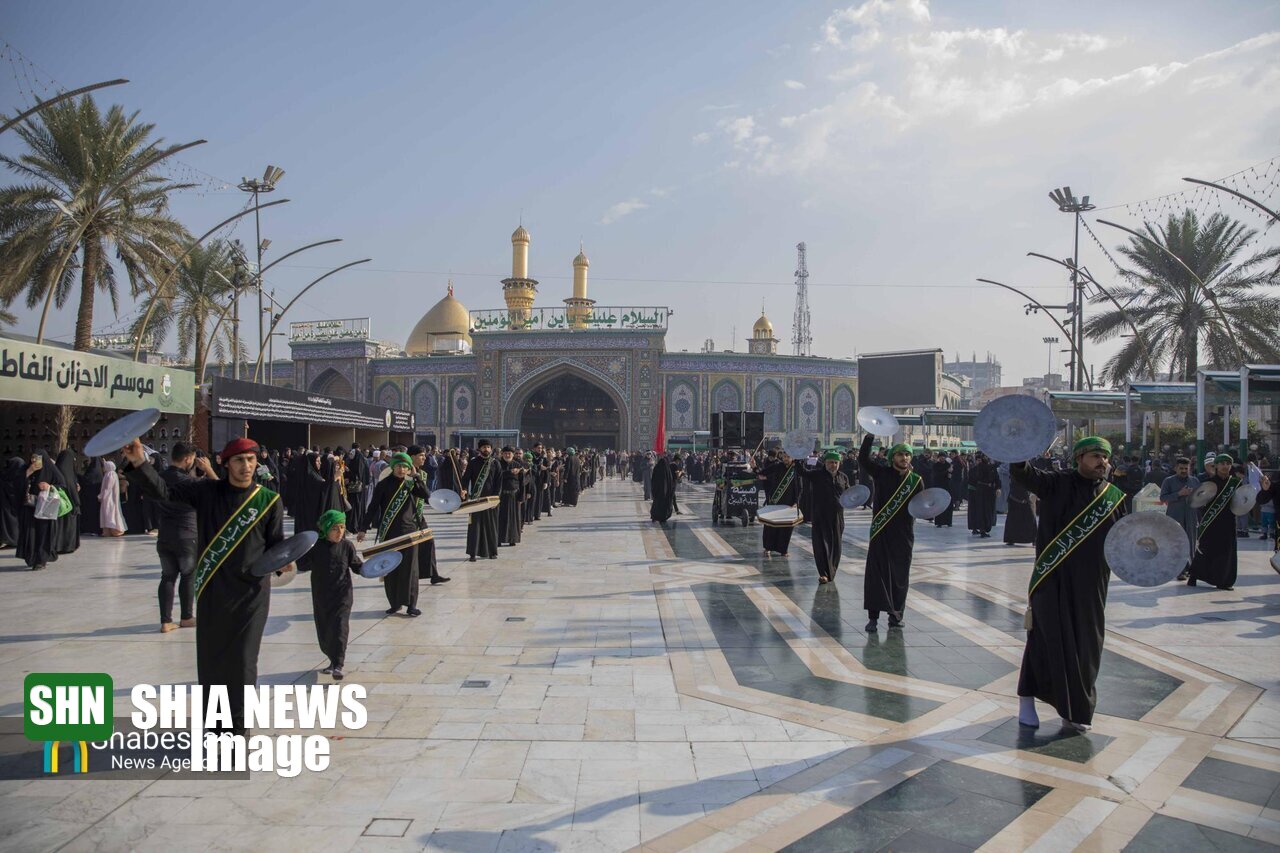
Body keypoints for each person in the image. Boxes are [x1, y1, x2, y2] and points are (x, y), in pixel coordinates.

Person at [122, 436, 286, 735]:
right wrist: (138, 462)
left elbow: (276, 546)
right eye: (239, 460)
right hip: (213, 591)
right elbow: (162, 491)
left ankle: (238, 732)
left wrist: (285, 561)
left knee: (243, 663)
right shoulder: (206, 492)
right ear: (225, 464)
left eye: (251, 460)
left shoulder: (268, 501)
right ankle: (215, 731)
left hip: (251, 596)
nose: (246, 466)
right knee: (212, 664)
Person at [1010, 436, 1125, 731]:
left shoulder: (1114, 497)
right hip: (1053, 580)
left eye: (1106, 457)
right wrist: (1018, 446)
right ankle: (1026, 698)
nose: (1103, 462)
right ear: (1079, 458)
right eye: (1096, 456)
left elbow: (1123, 541)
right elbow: (1024, 473)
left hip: (1092, 585)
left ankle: (1075, 711)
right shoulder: (1056, 484)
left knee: (1087, 646)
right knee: (1047, 642)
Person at [859, 437, 924, 630]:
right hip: (881, 531)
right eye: (900, 454)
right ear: (892, 457)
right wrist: (869, 437)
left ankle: (896, 615)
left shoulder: (916, 481)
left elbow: (921, 506)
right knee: (876, 574)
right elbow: (863, 459)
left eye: (907, 454)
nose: (904, 458)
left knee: (900, 576)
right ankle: (873, 617)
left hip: (903, 535)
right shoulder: (881, 473)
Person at [154, 442, 217, 633]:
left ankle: (166, 621)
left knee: (167, 577)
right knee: (188, 575)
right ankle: (187, 617)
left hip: (165, 534)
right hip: (187, 535)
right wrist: (209, 469)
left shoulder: (159, 478)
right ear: (188, 458)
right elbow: (220, 490)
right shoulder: (189, 483)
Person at [360, 452, 431, 615]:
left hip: (409, 533)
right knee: (391, 569)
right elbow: (373, 508)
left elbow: (427, 495)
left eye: (405, 466)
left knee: (410, 570)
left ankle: (411, 604)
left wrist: (416, 477)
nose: (401, 469)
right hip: (389, 533)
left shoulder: (411, 484)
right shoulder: (383, 485)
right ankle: (395, 603)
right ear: (393, 467)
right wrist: (363, 528)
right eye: (398, 466)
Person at [307, 509, 361, 679]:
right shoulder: (315, 547)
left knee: (339, 627)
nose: (339, 532)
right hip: (322, 596)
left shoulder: (347, 546)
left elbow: (357, 566)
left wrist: (380, 567)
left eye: (342, 527)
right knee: (325, 629)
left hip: (342, 595)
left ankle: (338, 664)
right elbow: (299, 563)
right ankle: (332, 660)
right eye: (335, 528)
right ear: (326, 529)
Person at [1187, 453, 1242, 590]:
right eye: (1222, 463)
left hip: (1228, 522)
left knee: (1226, 551)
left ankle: (1223, 581)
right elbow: (1199, 503)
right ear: (1216, 466)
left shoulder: (1234, 483)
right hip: (1211, 522)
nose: (1225, 466)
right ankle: (1194, 575)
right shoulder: (1209, 483)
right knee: (1205, 549)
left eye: (1228, 463)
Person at [801, 450, 850, 585]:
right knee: (821, 544)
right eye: (830, 462)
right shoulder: (817, 475)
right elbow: (802, 472)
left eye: (835, 462)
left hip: (837, 516)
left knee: (836, 545)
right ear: (825, 463)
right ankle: (823, 573)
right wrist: (798, 457)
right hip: (820, 515)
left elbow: (848, 494)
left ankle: (832, 571)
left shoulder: (843, 477)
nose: (833, 465)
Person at [16, 450, 64, 570]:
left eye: (36, 458)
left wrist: (49, 486)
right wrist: (28, 472)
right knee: (30, 532)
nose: (33, 460)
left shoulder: (51, 469)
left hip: (45, 507)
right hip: (29, 507)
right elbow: (16, 484)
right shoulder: (26, 469)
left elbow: (62, 484)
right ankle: (31, 557)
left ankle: (41, 559)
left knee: (43, 533)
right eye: (32, 458)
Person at [1160, 457, 1198, 582]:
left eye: (1186, 469)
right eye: (1181, 468)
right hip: (1175, 516)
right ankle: (1179, 570)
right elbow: (1163, 498)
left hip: (1191, 516)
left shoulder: (1194, 481)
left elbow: (1201, 497)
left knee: (1191, 543)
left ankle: (1190, 569)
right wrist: (1179, 494)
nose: (1183, 471)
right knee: (1177, 543)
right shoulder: (1169, 481)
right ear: (1176, 468)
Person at [463, 439, 501, 561]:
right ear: (479, 449)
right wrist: (463, 489)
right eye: (484, 447)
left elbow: (499, 482)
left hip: (491, 500)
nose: (486, 449)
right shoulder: (473, 463)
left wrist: (496, 498)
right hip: (476, 499)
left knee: (491, 526)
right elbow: (465, 478)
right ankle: (473, 553)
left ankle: (492, 552)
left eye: (488, 447)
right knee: (475, 527)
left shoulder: (495, 463)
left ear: (491, 449)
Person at [758, 451, 800, 557]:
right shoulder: (777, 466)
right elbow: (763, 472)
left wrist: (796, 501)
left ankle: (783, 550)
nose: (786, 458)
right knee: (770, 525)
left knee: (786, 527)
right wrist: (755, 468)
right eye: (784, 456)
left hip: (789, 502)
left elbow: (800, 486)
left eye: (788, 457)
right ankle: (768, 547)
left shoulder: (796, 469)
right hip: (774, 501)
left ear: (792, 458)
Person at [53, 448, 81, 554]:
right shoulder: (69, 473)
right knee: (69, 526)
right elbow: (72, 489)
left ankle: (57, 546)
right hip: (70, 506)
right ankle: (68, 546)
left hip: (59, 506)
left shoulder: (56, 471)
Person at [967, 453, 1000, 537]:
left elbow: (997, 479)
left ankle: (987, 527)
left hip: (990, 492)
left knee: (989, 511)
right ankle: (982, 529)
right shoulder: (979, 467)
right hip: (981, 492)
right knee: (982, 511)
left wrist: (998, 488)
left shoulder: (992, 468)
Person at [497, 446, 525, 546]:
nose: (507, 455)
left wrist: (522, 496)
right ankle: (499, 540)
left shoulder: (517, 465)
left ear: (513, 455)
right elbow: (497, 476)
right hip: (501, 496)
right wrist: (510, 472)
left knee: (514, 519)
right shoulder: (498, 464)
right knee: (500, 518)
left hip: (514, 496)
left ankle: (512, 539)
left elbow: (522, 482)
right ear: (502, 454)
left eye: (509, 453)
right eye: (505, 453)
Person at [1003, 474, 1037, 546]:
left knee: (1030, 519)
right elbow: (1015, 487)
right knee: (1013, 521)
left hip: (1025, 500)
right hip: (1015, 500)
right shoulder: (1014, 475)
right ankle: (1011, 539)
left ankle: (1034, 538)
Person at [1, 455, 26, 547]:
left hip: (5, 507)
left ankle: (6, 540)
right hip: (17, 507)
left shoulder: (4, 477)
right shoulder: (21, 479)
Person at [99, 459, 126, 536]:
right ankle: (108, 531)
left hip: (109, 498)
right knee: (108, 513)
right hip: (108, 498)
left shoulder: (110, 474)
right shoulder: (110, 474)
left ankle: (114, 530)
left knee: (109, 513)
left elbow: (108, 488)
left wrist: (101, 496)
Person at [650, 453, 677, 524]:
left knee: (656, 504)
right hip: (665, 493)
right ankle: (663, 517)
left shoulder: (657, 468)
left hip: (658, 492)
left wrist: (654, 490)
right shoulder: (667, 470)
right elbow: (671, 482)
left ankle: (654, 516)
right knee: (664, 505)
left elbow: (653, 480)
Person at [931, 454, 954, 528]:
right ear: (938, 458)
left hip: (947, 487)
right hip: (938, 486)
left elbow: (951, 474)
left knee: (948, 504)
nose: (942, 458)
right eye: (941, 457)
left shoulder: (948, 465)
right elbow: (936, 475)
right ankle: (939, 522)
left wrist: (950, 473)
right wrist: (946, 471)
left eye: (943, 457)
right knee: (939, 504)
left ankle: (948, 521)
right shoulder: (936, 465)